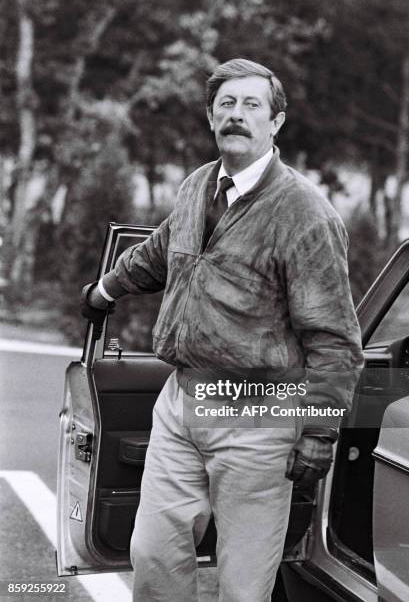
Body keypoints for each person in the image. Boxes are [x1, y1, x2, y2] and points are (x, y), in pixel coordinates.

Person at [81, 58, 364, 602]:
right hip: (181, 403)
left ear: (276, 122)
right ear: (212, 117)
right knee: (153, 557)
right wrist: (106, 290)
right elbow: (161, 252)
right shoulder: (197, 186)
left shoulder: (305, 214)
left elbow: (333, 339)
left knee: (243, 583)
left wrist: (321, 432)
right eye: (226, 104)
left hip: (258, 418)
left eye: (252, 105)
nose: (237, 115)